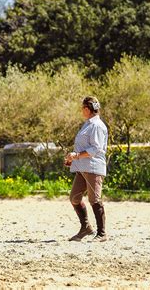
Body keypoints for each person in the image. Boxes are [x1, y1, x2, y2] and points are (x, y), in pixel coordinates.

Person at [64, 96, 108, 242]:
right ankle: (86, 228)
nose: (81, 110)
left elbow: (95, 149)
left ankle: (102, 233)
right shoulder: (87, 124)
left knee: (94, 199)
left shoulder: (96, 126)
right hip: (82, 167)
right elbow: (84, 147)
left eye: (82, 108)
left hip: (93, 167)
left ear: (87, 109)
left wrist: (76, 156)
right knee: (74, 197)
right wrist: (73, 159)